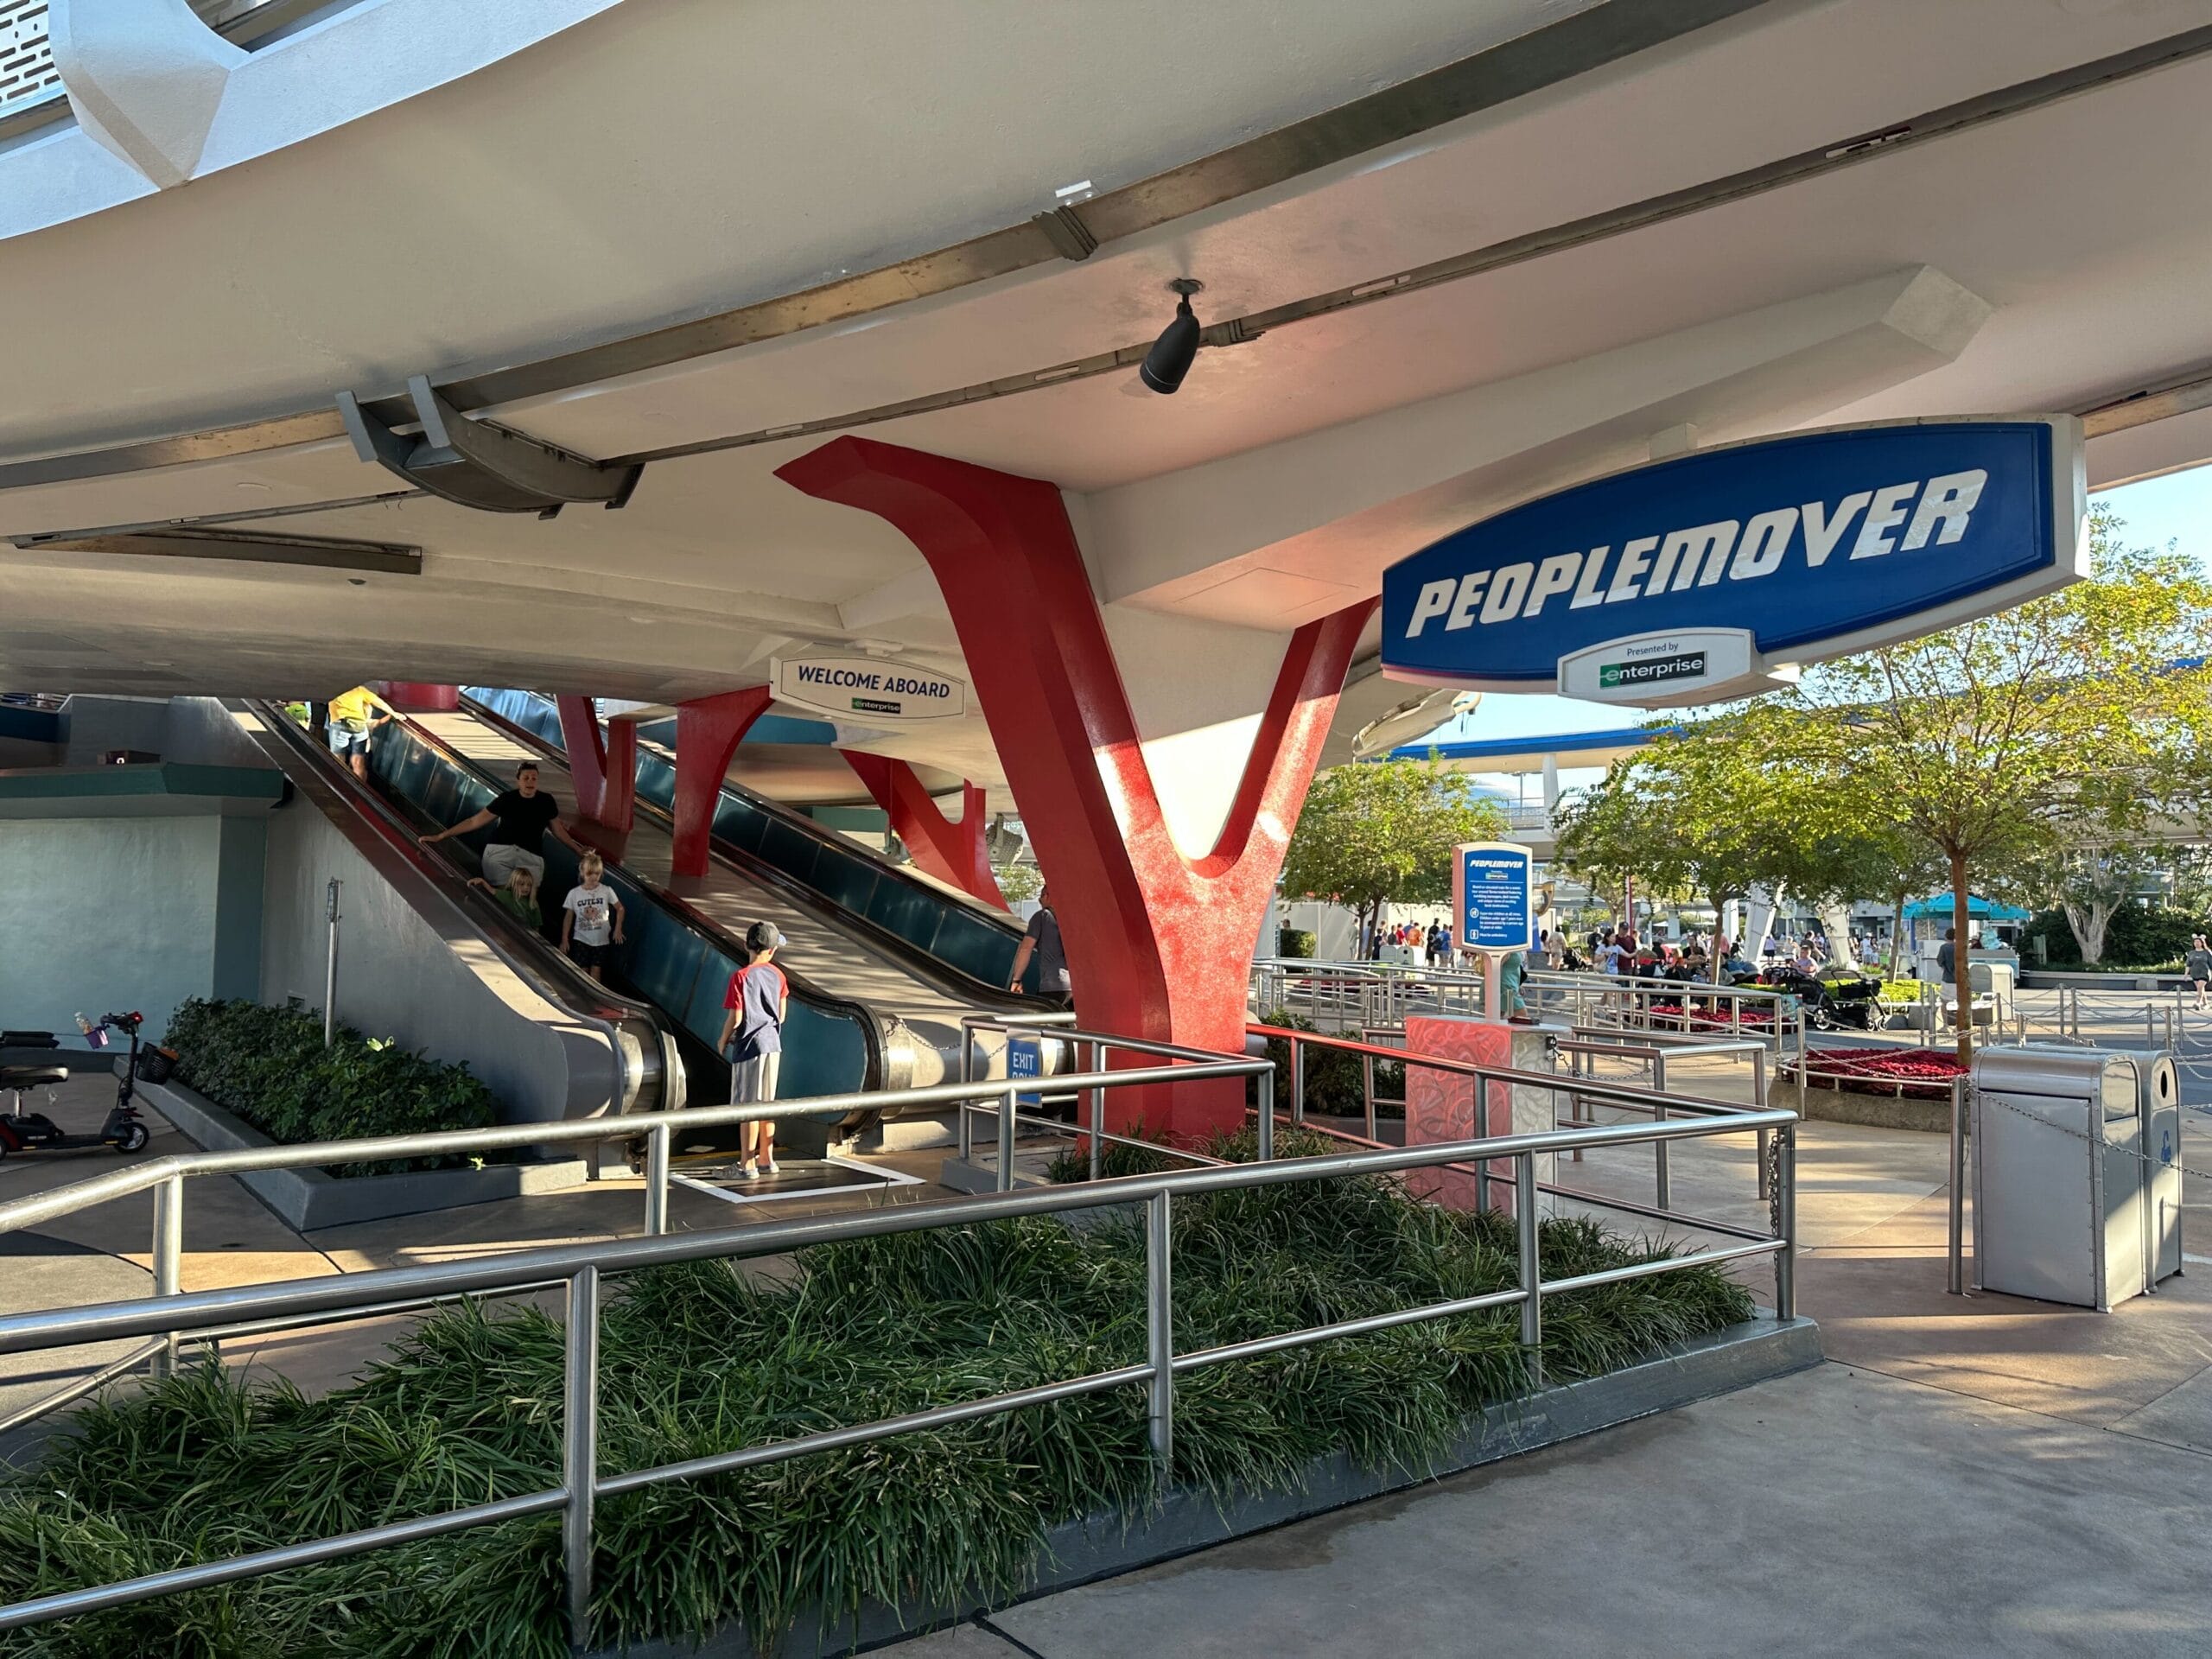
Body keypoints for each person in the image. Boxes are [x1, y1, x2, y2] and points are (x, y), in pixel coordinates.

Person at [423, 758, 584, 887]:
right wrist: (441, 836)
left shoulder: (546, 801)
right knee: (501, 894)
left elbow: (558, 830)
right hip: (501, 853)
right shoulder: (507, 799)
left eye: (534, 778)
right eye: (526, 778)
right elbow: (474, 821)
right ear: (518, 781)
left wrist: (577, 850)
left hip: (530, 857)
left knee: (526, 898)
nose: (530, 782)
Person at [719, 920, 789, 1179]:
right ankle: (767, 1159)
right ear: (772, 950)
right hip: (773, 1044)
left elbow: (736, 1018)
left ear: (746, 945)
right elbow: (781, 1015)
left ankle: (746, 1164)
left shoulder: (740, 977)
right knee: (767, 1104)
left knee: (747, 1106)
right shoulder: (779, 976)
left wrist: (723, 1039)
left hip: (749, 1047)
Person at [559, 853, 626, 982]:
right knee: (582, 971)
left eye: (597, 874)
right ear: (582, 873)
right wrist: (564, 938)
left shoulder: (606, 890)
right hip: (581, 938)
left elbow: (620, 908)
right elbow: (569, 916)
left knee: (596, 971)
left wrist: (618, 928)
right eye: (590, 874)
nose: (594, 878)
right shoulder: (574, 894)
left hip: (601, 940)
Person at [1009, 886, 1071, 1000]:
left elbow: (1026, 948)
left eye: (1040, 897)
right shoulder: (1071, 919)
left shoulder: (1042, 916)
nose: (1040, 902)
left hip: (1053, 985)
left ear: (1048, 896)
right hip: (1076, 987)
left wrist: (1016, 980)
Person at [325, 684, 391, 781]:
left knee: (339, 760)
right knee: (359, 764)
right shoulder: (366, 723)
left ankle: (340, 781)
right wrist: (392, 715)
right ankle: (362, 785)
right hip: (364, 748)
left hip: (343, 732)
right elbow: (379, 722)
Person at [468, 866, 543, 932]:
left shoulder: (533, 903)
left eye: (529, 885)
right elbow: (492, 891)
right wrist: (482, 881)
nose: (526, 888)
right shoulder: (508, 896)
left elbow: (536, 926)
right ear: (514, 885)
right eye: (522, 884)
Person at [2188, 935, 2212, 1014]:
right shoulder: (2191, 953)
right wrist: (2186, 973)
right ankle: (2206, 1004)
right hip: (2195, 973)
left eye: (2198, 942)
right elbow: (2188, 963)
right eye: (2195, 942)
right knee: (2200, 989)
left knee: (2200, 987)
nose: (2197, 943)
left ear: (2202, 943)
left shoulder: (2207, 952)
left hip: (2205, 973)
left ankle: (2198, 1003)